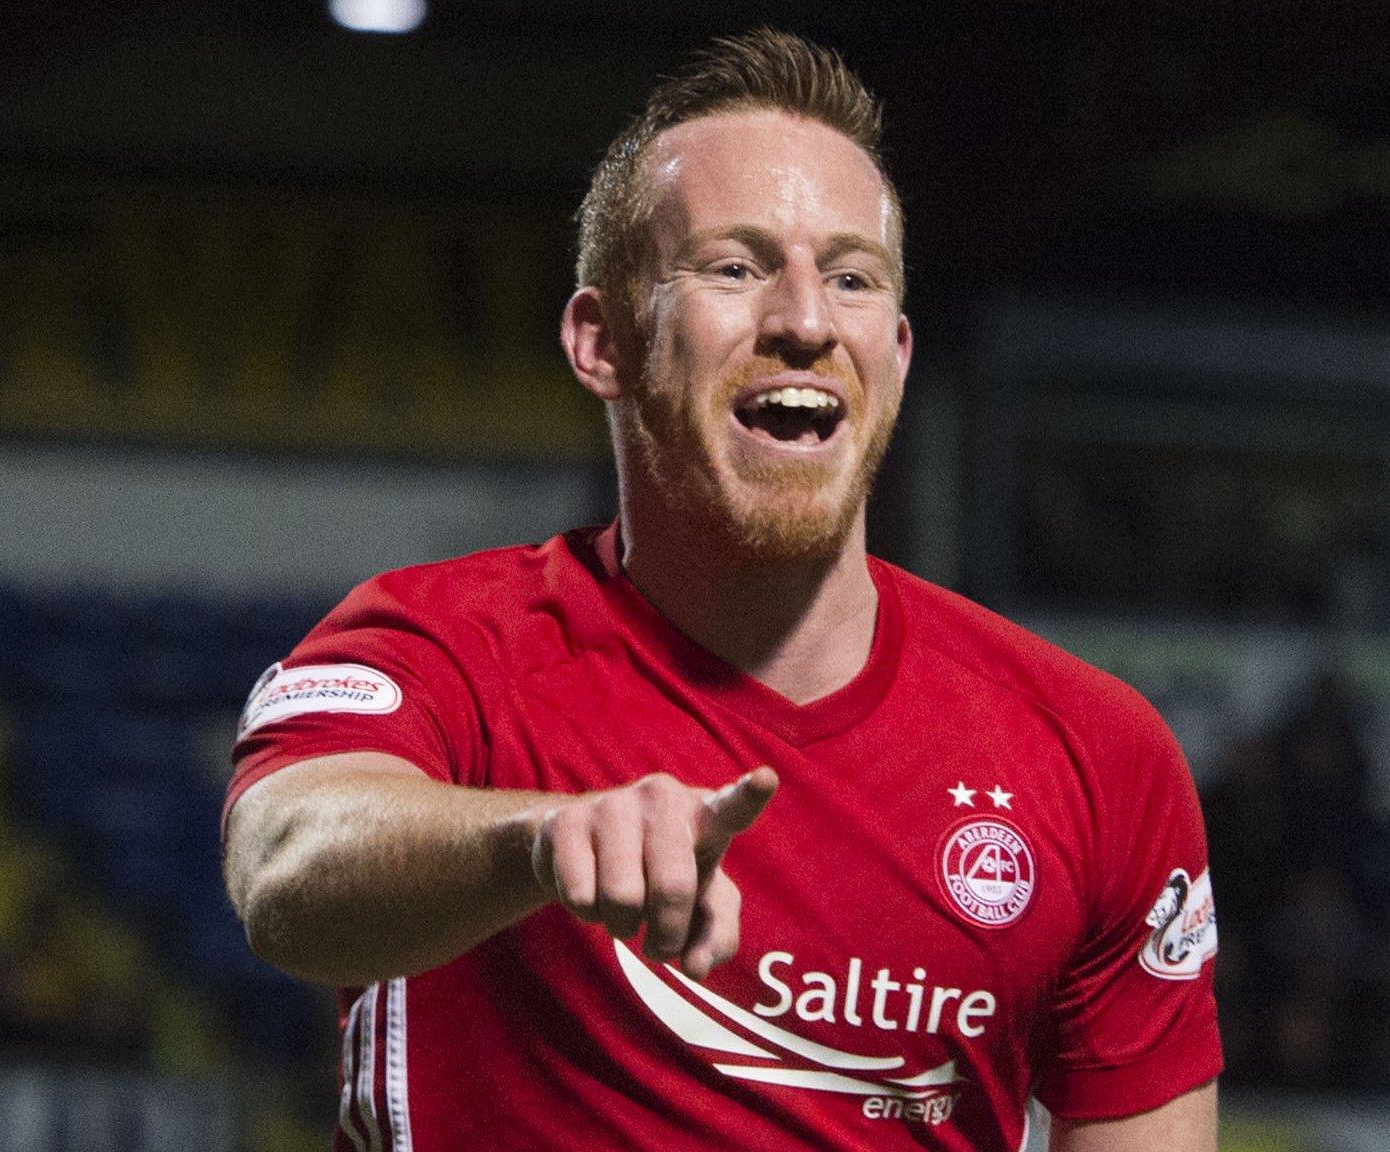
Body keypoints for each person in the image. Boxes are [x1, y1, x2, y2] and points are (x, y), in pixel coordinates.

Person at [223, 29, 1219, 1151]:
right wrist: (537, 842)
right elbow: (283, 865)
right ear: (603, 343)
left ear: (891, 354)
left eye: (848, 278)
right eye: (735, 268)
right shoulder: (438, 643)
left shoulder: (1097, 753)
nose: (802, 321)